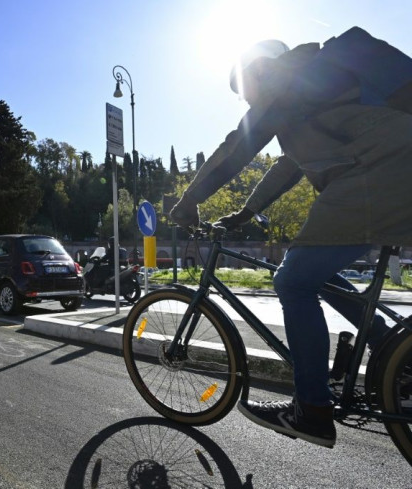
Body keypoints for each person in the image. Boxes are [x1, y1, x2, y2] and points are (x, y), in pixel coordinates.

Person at [169, 32, 412, 448]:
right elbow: (287, 168)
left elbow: (237, 147)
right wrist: (245, 212)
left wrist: (189, 201)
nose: (248, 103)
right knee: (314, 273)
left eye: (246, 90)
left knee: (291, 280)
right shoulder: (311, 95)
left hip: (380, 172)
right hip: (392, 167)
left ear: (260, 69)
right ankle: (396, 359)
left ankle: (312, 410)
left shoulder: (285, 83)